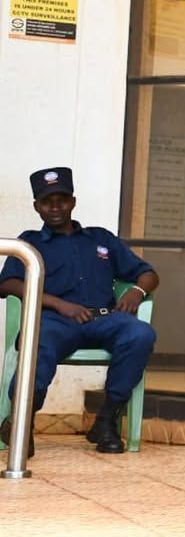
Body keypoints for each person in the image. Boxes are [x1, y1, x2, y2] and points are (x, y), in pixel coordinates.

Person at [0, 167, 159, 456]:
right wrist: (59, 304)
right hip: (54, 322)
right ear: (37, 206)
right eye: (48, 201)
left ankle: (107, 420)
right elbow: (8, 282)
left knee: (139, 333)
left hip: (104, 320)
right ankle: (22, 422)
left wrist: (137, 292)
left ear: (73, 201)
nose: (56, 207)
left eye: (62, 199)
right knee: (37, 340)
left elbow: (148, 274)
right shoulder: (30, 241)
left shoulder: (101, 238)